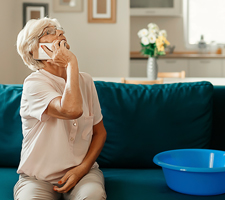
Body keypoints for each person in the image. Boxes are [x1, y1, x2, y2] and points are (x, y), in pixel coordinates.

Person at [14, 17, 107, 200]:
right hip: (37, 178)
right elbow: (71, 110)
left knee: (93, 196)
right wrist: (71, 63)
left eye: (59, 29)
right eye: (48, 32)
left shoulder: (85, 81)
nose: (59, 32)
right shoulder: (34, 84)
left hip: (84, 174)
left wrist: (82, 169)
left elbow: (100, 133)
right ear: (34, 50)